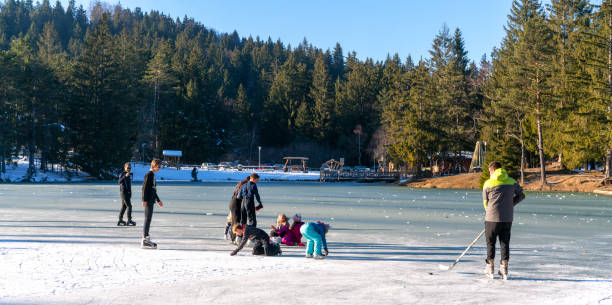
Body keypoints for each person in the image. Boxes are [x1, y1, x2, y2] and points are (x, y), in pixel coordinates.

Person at [482, 161, 525, 279]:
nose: (489, 173)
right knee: (504, 243)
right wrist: (510, 204)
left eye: (490, 171)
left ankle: (490, 267)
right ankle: (504, 267)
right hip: (507, 218)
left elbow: (486, 203)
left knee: (491, 242)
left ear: (493, 170)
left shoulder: (488, 183)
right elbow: (522, 195)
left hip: (491, 218)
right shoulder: (511, 181)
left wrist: (490, 213)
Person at [141, 159, 164, 249]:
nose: (159, 168)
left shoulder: (152, 175)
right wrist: (144, 200)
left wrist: (158, 200)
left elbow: (153, 190)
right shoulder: (149, 174)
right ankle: (145, 241)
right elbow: (144, 188)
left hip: (151, 200)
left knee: (148, 219)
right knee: (147, 219)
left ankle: (146, 239)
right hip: (148, 200)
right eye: (158, 166)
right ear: (154, 166)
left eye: (160, 167)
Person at [117, 162, 135, 226]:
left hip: (127, 193)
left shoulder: (129, 174)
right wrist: (125, 176)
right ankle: (129, 220)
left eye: (130, 168)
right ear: (125, 168)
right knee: (129, 206)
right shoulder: (122, 174)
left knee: (124, 206)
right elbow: (119, 181)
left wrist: (130, 192)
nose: (129, 169)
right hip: (124, 193)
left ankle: (120, 219)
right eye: (127, 168)